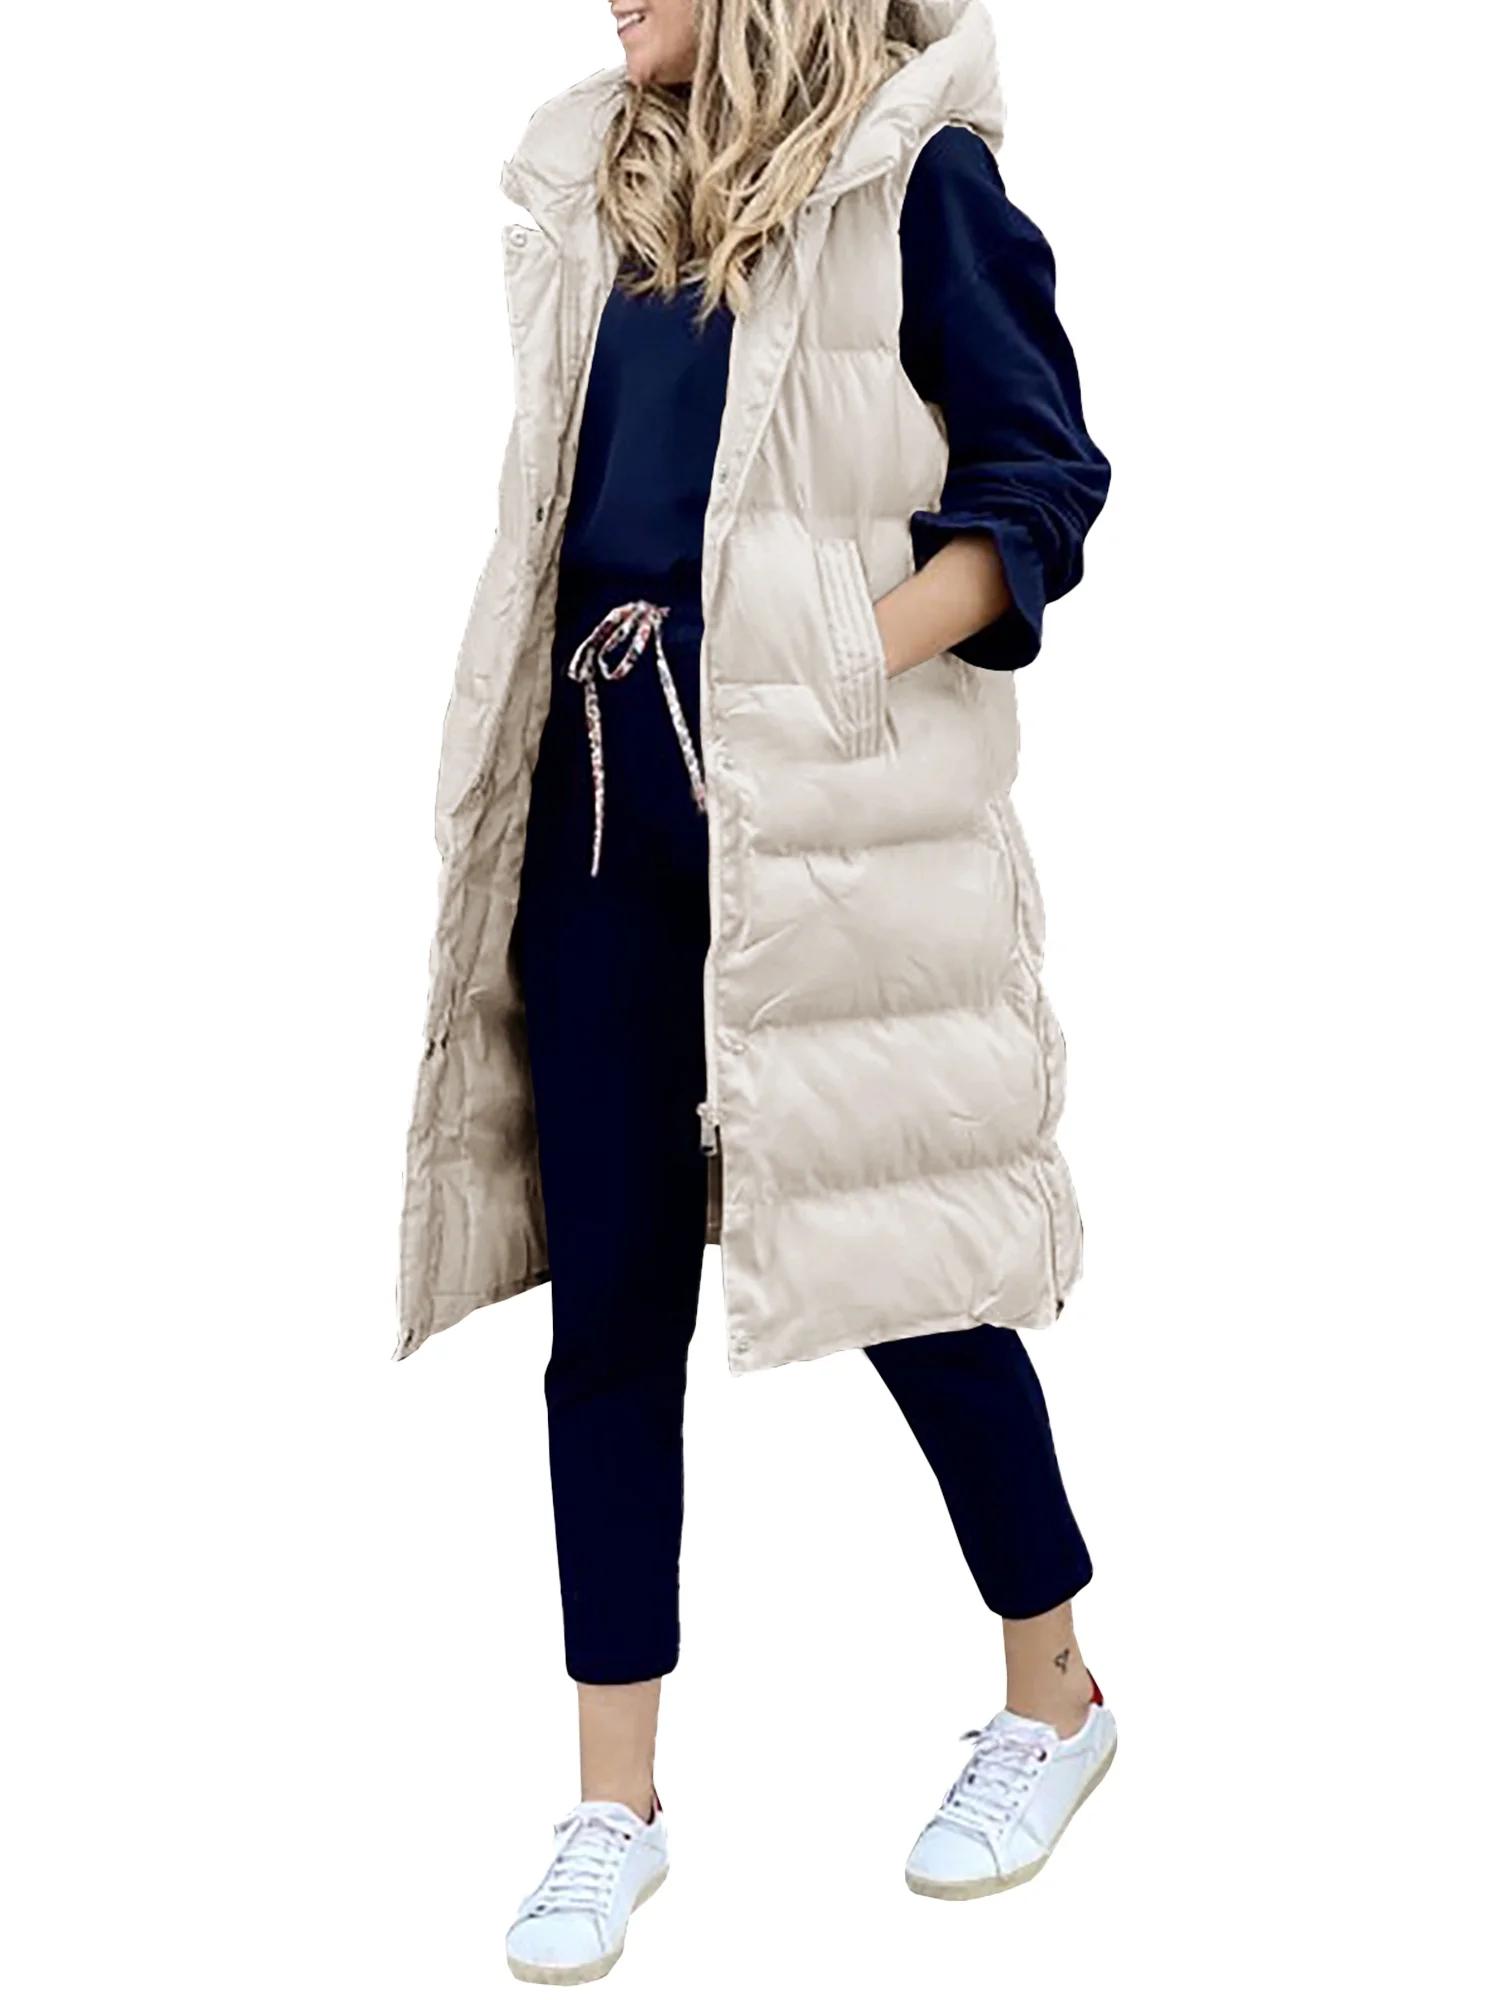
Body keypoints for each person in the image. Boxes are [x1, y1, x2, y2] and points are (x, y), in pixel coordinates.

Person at [398, 3, 1115, 1982]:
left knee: (908, 1274)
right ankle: (611, 1810)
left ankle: (1055, 1695)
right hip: (602, 813)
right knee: (613, 1311)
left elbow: (1042, 485)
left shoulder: (916, 181)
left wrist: (822, 659)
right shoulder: (605, 195)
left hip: (818, 829)